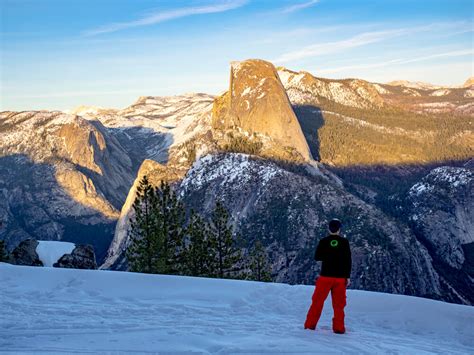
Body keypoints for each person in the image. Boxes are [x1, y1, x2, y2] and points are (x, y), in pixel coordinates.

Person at [304, 219, 352, 334]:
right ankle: (339, 328)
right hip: (340, 278)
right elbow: (348, 261)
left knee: (317, 302)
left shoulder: (323, 241)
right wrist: (347, 276)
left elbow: (317, 257)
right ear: (339, 229)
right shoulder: (344, 242)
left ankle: (310, 326)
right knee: (339, 305)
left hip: (325, 276)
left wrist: (328, 255)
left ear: (328, 229)